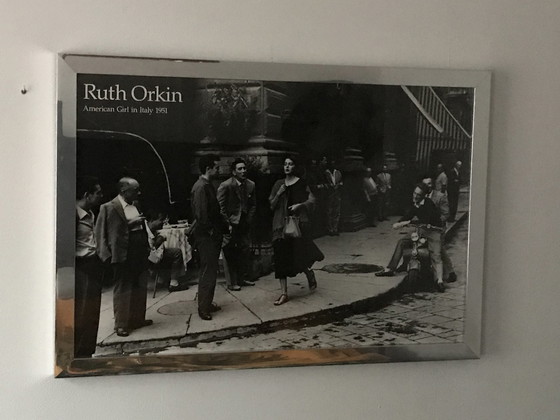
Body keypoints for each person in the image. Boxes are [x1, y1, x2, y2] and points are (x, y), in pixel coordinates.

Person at [95, 177, 153, 337]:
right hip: (121, 254)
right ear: (123, 190)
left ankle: (138, 319)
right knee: (123, 289)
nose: (139, 193)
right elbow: (100, 234)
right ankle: (121, 324)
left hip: (139, 252)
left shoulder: (136, 205)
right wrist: (105, 256)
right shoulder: (108, 207)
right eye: (135, 190)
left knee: (140, 286)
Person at [268, 156, 324, 305]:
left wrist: (300, 205)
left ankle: (308, 272)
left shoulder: (301, 183)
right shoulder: (278, 184)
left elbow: (312, 200)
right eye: (285, 164)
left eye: (290, 164)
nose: (287, 166)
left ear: (295, 167)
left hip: (297, 225)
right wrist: (279, 193)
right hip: (280, 226)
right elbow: (271, 205)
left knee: (298, 256)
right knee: (280, 258)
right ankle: (284, 293)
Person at [375, 182, 445, 292]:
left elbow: (425, 219)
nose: (415, 196)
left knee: (436, 254)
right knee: (402, 242)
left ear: (424, 195)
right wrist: (399, 222)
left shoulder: (428, 204)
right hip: (422, 229)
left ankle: (439, 280)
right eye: (414, 193)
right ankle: (390, 268)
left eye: (418, 194)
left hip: (433, 231)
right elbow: (409, 214)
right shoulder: (416, 204)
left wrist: (406, 222)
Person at [191, 154, 228, 320]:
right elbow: (201, 215)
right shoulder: (200, 187)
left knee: (212, 270)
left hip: (212, 235)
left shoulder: (208, 185)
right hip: (207, 237)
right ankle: (203, 307)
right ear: (208, 168)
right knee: (207, 271)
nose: (218, 170)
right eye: (216, 167)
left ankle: (208, 303)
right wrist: (212, 233)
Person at [75, 176, 104, 357]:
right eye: (98, 193)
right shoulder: (71, 216)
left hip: (93, 265)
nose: (101, 196)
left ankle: (87, 352)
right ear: (87, 195)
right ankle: (77, 353)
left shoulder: (92, 214)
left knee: (92, 311)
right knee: (81, 312)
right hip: (80, 268)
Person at [217, 158, 256, 291]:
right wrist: (226, 223)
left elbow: (253, 205)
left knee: (244, 250)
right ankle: (231, 282)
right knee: (230, 251)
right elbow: (220, 207)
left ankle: (242, 278)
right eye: (240, 169)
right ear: (234, 172)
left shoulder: (251, 185)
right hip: (231, 223)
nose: (243, 171)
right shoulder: (226, 185)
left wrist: (249, 219)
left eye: (244, 168)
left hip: (244, 223)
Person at [422, 176, 457, 283]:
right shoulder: (421, 196)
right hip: (426, 227)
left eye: (428, 184)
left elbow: (446, 214)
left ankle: (449, 273)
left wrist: (436, 222)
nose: (426, 186)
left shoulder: (440, 196)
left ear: (432, 185)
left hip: (438, 228)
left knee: (439, 249)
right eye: (424, 184)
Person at [146, 212, 188, 292]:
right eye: (161, 220)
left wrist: (160, 237)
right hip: (149, 258)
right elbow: (150, 249)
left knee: (176, 251)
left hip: (153, 255)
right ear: (152, 220)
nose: (163, 222)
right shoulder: (145, 230)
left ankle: (166, 279)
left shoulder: (152, 229)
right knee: (177, 253)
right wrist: (158, 241)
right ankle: (173, 283)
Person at [324, 158, 343, 235]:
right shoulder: (325, 173)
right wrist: (329, 185)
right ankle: (330, 229)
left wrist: (339, 185)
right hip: (329, 194)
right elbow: (324, 182)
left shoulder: (338, 172)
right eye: (331, 164)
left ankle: (335, 228)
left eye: (334, 164)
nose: (333, 165)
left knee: (337, 211)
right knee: (329, 211)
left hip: (337, 194)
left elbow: (341, 181)